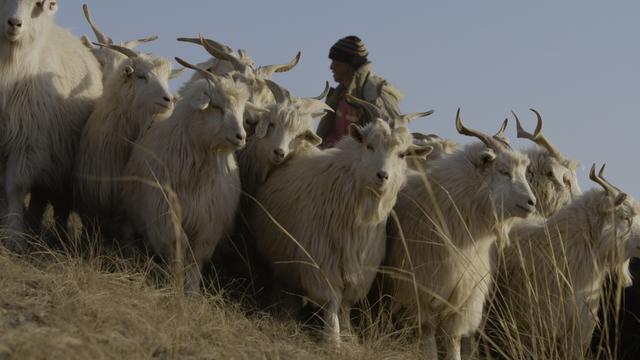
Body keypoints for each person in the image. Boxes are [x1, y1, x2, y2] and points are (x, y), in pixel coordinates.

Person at [316, 35, 404, 148]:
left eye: (335, 62)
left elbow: (392, 136)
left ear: (348, 64)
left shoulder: (376, 93)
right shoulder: (339, 95)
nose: (331, 67)